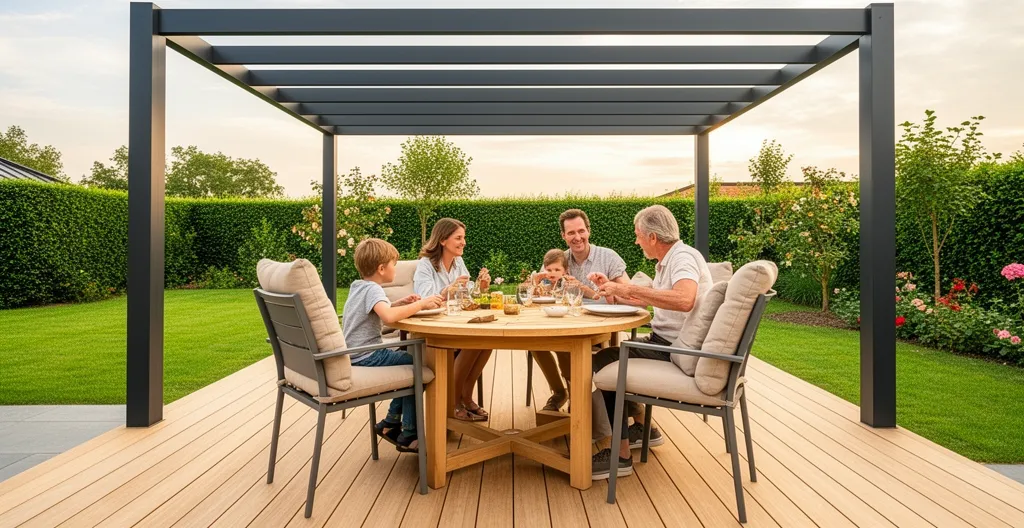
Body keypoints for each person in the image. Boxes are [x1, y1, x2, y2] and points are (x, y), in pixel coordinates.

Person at [588, 205, 713, 479]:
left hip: (673, 349)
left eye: (638, 235)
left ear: (653, 237)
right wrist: (612, 289)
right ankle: (643, 428)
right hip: (667, 342)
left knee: (604, 361)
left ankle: (620, 456)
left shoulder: (682, 258)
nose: (636, 241)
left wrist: (626, 287)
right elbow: (646, 300)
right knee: (610, 356)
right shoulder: (669, 260)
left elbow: (684, 299)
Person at [342, 238, 444, 452]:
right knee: (417, 366)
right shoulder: (374, 289)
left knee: (408, 360)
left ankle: (390, 422)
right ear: (381, 268)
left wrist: (400, 303)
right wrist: (421, 304)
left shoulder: (358, 286)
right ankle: (409, 433)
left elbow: (378, 309)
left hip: (354, 353)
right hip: (368, 355)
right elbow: (388, 317)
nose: (395, 269)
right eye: (393, 264)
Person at [532, 209, 629, 412]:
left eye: (581, 231)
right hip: (566, 322)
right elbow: (542, 292)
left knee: (566, 344)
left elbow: (628, 295)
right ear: (563, 236)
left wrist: (604, 291)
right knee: (534, 341)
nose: (577, 237)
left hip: (600, 324)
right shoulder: (559, 259)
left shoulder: (608, 257)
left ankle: (580, 400)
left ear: (588, 231)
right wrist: (538, 283)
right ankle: (560, 392)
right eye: (571, 233)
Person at [413, 218, 493, 422]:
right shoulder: (425, 265)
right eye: (458, 238)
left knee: (487, 341)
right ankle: (453, 403)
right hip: (432, 329)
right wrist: (449, 289)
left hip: (454, 321)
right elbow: (425, 298)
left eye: (463, 238)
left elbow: (467, 296)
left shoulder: (458, 263)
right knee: (473, 342)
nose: (463, 242)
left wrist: (481, 287)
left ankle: (465, 396)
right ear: (442, 240)